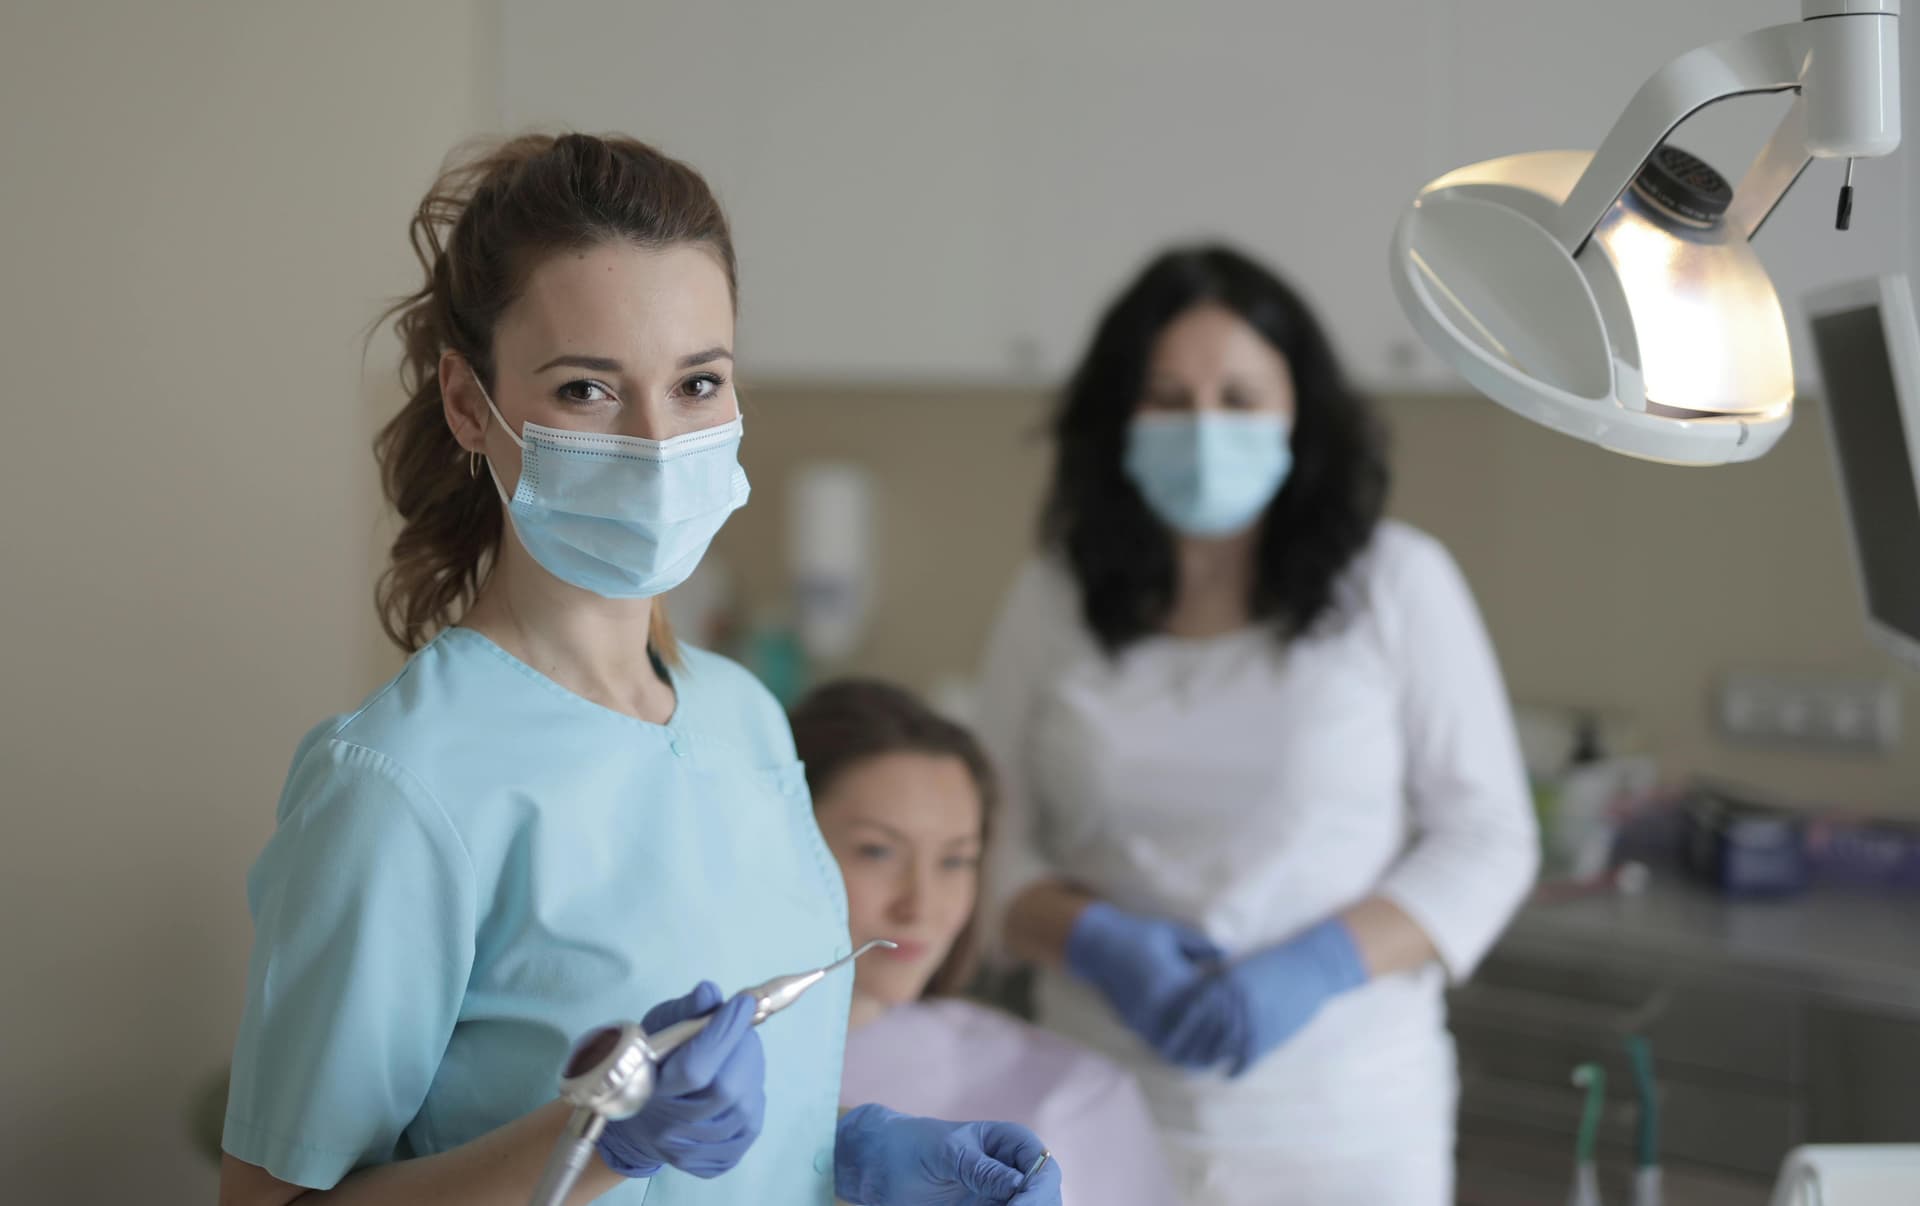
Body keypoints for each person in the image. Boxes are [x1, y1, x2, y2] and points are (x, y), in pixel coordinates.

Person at [218, 133, 1061, 1206]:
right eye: (586, 391)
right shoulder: (402, 784)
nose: (661, 444)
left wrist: (842, 1155)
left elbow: (728, 1133)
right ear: (470, 404)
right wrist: (604, 1141)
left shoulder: (744, 717)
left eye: (698, 382)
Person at [977, 245, 1540, 1204]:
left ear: (1300, 418)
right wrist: (1093, 941)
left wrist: (1316, 967)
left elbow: (1488, 837)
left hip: (1345, 1121)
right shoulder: (1052, 601)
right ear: (1115, 419)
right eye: (1167, 397)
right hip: (1095, 1101)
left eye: (1239, 398)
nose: (1204, 428)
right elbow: (986, 840)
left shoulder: (1396, 584)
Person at [790, 680, 1177, 1206]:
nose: (921, 907)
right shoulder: (691, 1077)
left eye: (955, 860)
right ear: (781, 842)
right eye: (877, 852)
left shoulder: (1072, 1095)